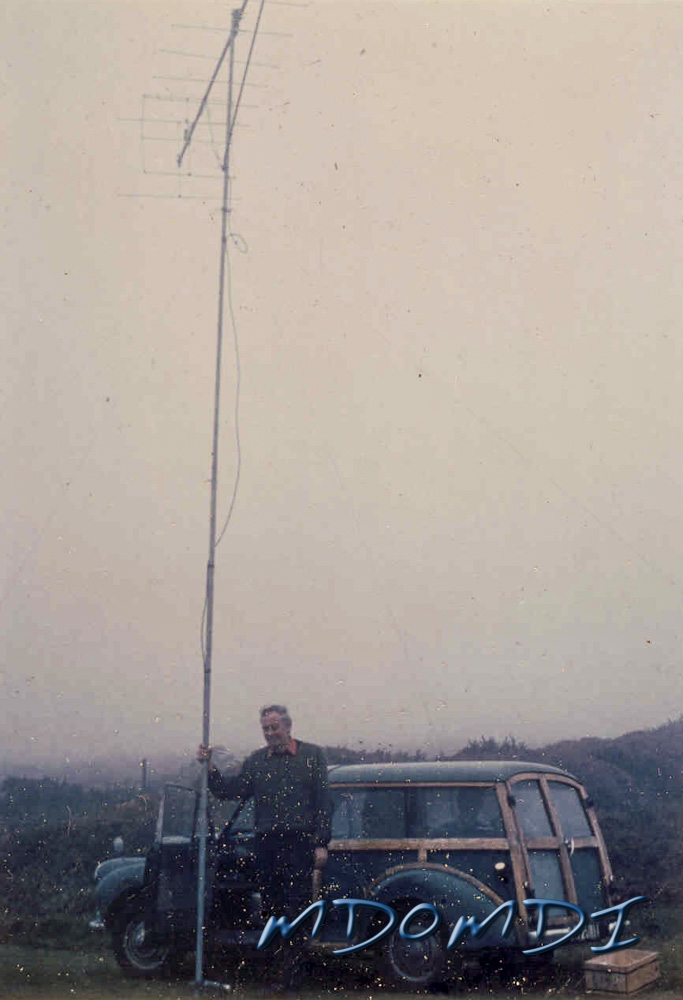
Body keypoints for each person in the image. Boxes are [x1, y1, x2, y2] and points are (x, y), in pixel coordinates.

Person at [197, 704, 330, 991]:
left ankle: (294, 983)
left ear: (288, 726)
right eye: (265, 729)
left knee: (297, 911)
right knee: (272, 911)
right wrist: (210, 768)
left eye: (274, 728)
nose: (270, 733)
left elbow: (323, 802)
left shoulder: (312, 755)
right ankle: (276, 981)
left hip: (299, 845)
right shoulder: (256, 762)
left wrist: (321, 843)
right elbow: (229, 791)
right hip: (267, 846)